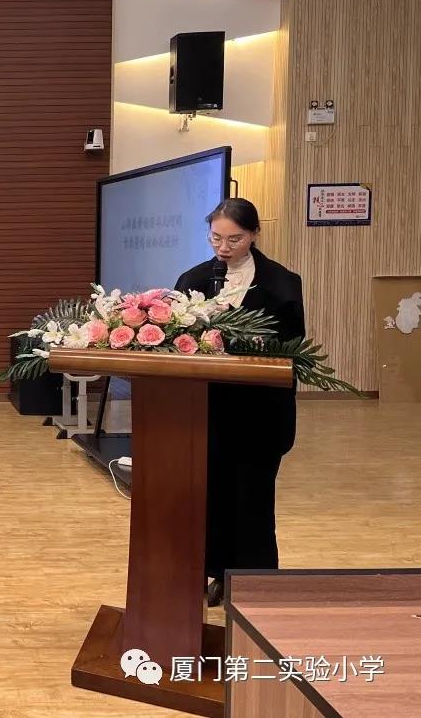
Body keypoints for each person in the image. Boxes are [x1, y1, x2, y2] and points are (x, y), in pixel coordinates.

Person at [174, 198, 305, 607]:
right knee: (209, 497)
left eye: (235, 239)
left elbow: (292, 351)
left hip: (259, 414)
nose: (224, 247)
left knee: (252, 500)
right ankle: (211, 571)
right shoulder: (194, 280)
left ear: (254, 234)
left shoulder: (282, 283)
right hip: (207, 410)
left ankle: (252, 583)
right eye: (216, 237)